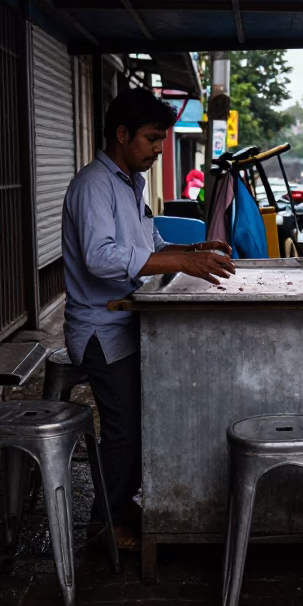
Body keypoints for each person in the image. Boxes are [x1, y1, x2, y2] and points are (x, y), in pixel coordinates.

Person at [62, 88, 235, 550]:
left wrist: (191, 252)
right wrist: (180, 263)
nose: (159, 149)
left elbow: (150, 244)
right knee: (125, 432)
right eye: (152, 139)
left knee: (148, 422)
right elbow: (101, 258)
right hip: (100, 329)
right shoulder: (93, 185)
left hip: (129, 323)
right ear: (122, 134)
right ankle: (102, 524)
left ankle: (121, 503)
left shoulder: (130, 183)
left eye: (161, 139)